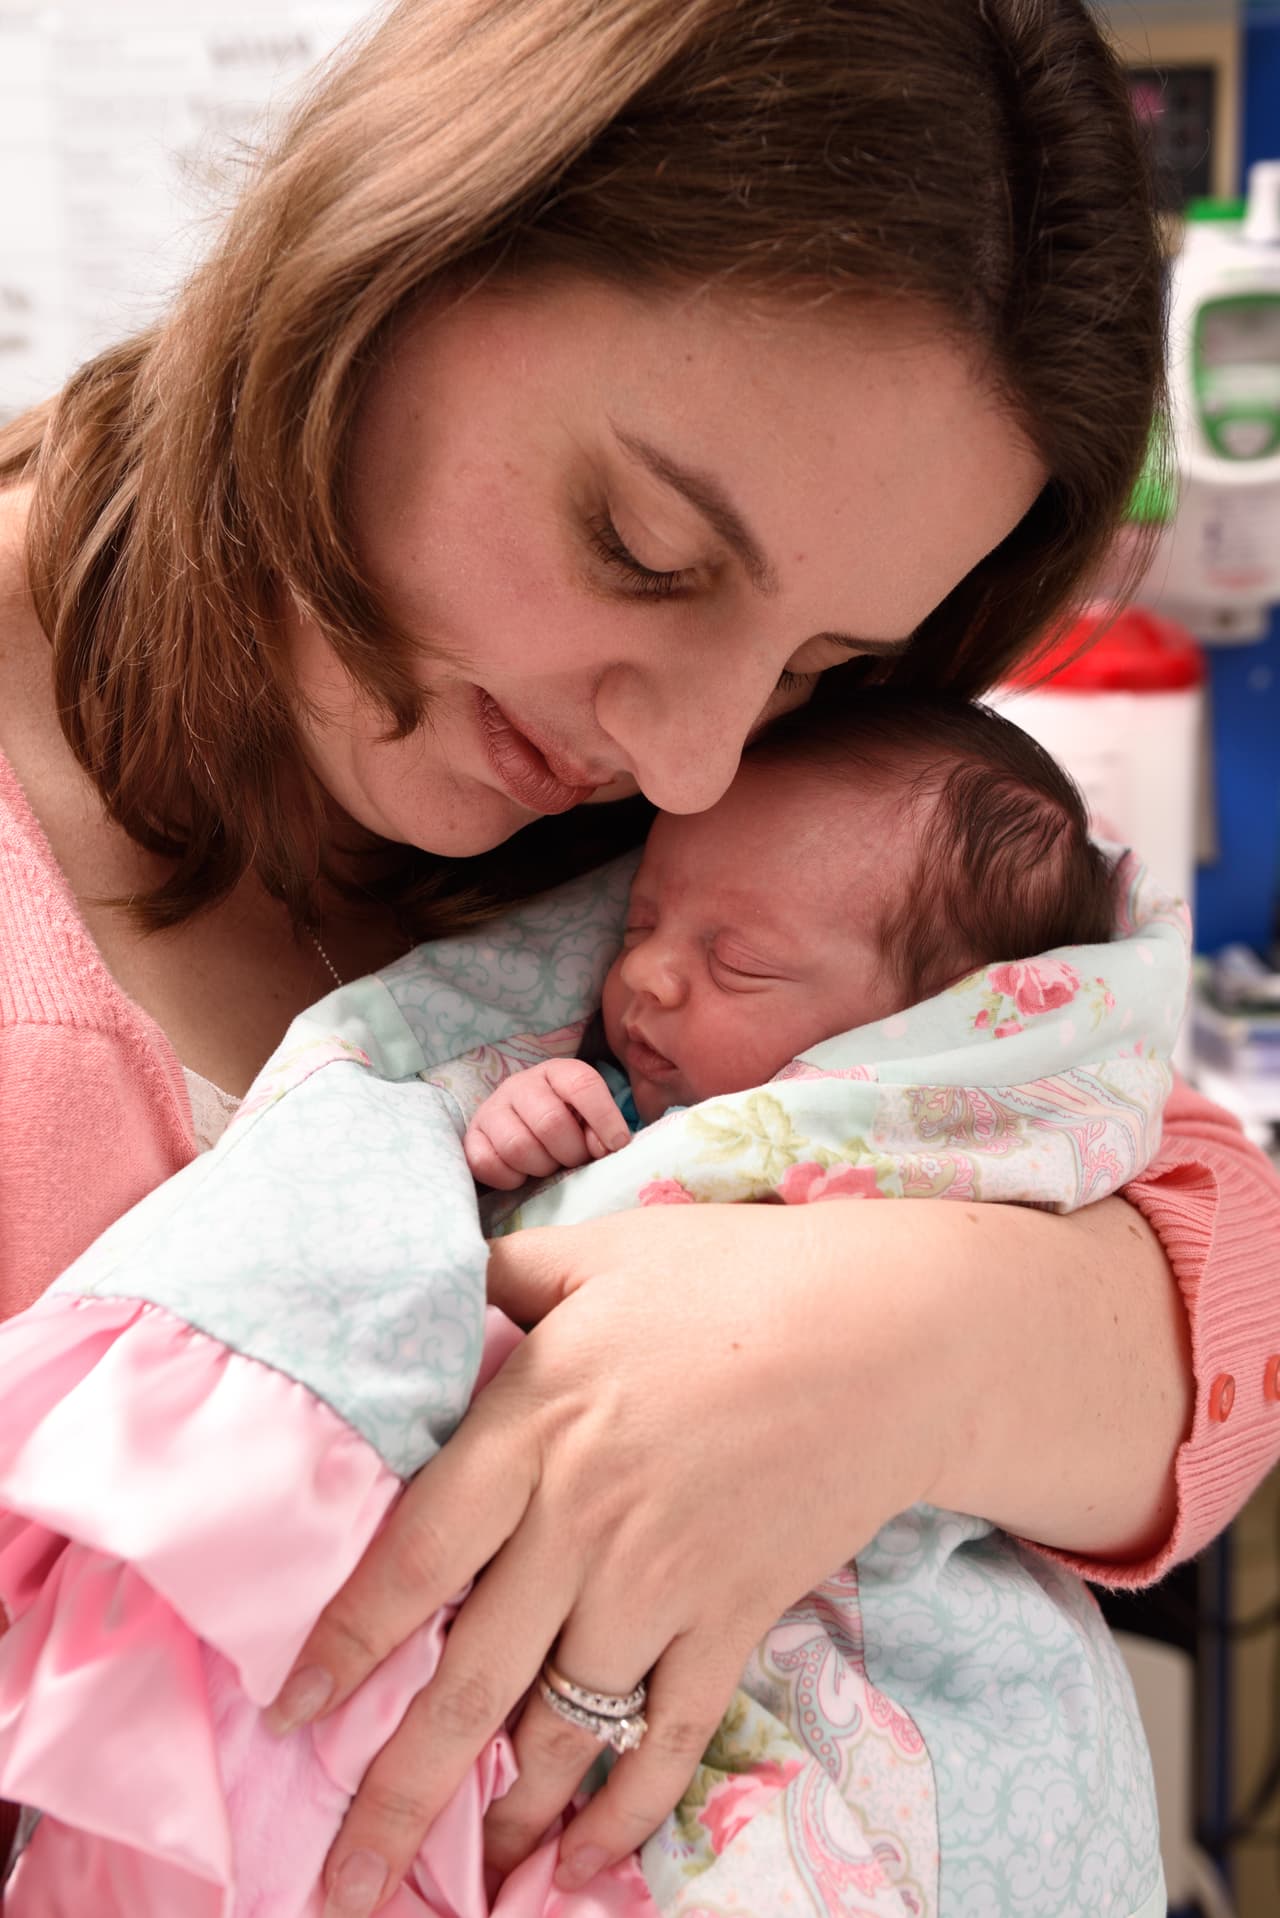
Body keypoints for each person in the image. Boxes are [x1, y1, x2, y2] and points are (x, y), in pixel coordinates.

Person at [0, 2, 1277, 1912]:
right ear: (396, 251)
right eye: (645, 548)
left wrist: (895, 1354)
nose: (694, 756)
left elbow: (1199, 1227)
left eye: (819, 666)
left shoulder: (653, 824)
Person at [462, 694, 1119, 1181]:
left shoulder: (961, 1173)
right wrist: (535, 1118)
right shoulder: (616, 1109)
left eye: (735, 963)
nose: (643, 970)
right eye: (640, 923)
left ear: (928, 1029)